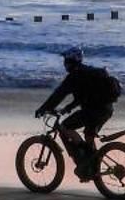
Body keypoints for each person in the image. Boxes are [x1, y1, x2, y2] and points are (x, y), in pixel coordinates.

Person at [35, 47, 119, 181]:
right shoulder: (88, 72)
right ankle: (91, 168)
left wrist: (43, 109)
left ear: (70, 62)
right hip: (107, 109)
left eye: (65, 61)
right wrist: (68, 108)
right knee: (89, 135)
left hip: (92, 111)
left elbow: (58, 95)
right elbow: (83, 97)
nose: (64, 64)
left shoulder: (74, 77)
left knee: (65, 127)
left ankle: (85, 158)